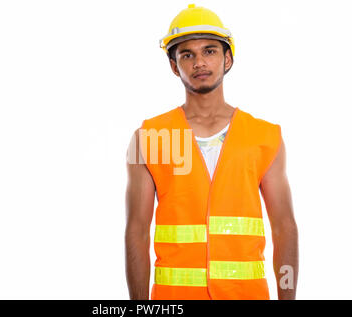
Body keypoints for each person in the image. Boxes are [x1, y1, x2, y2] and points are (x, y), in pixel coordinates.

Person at [125, 4, 298, 300]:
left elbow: (284, 228)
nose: (199, 62)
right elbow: (136, 232)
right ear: (174, 65)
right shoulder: (148, 138)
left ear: (227, 59)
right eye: (187, 54)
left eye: (209, 51)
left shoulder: (265, 137)